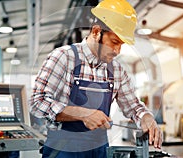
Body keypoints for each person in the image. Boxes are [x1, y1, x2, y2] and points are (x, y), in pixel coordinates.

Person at [30, 0, 163, 157]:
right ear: (96, 32)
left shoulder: (117, 70)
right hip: (63, 149)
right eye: (114, 42)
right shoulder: (64, 57)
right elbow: (37, 103)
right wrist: (82, 114)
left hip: (99, 150)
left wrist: (146, 118)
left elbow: (133, 106)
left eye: (121, 45)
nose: (117, 51)